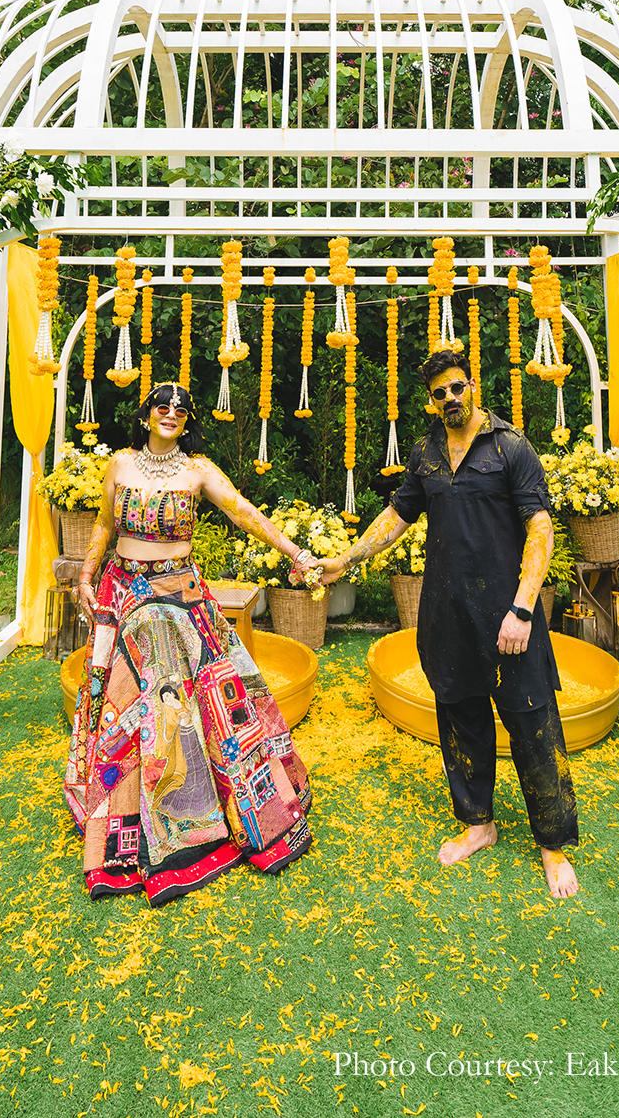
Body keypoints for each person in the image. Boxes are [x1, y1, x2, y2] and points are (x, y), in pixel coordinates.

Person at [323, 349, 580, 897]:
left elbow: (540, 528)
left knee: (534, 724)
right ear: (431, 401)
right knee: (461, 719)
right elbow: (397, 515)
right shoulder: (425, 454)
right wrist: (346, 559)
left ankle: (552, 846)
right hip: (447, 613)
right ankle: (478, 824)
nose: (450, 398)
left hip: (509, 615)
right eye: (440, 393)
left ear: (473, 385)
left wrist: (522, 607)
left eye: (457, 387)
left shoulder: (511, 447)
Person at [64, 381, 321, 905]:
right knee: (130, 707)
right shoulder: (119, 465)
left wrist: (295, 553)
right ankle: (129, 824)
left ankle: (203, 821)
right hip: (127, 595)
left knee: (208, 704)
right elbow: (103, 525)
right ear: (146, 415)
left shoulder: (199, 470)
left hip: (181, 592)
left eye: (181, 409)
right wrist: (87, 577)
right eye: (162, 406)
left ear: (187, 420)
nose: (171, 414)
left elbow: (244, 512)